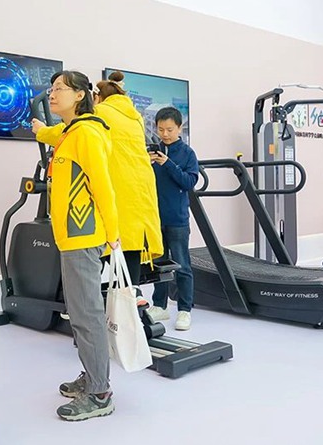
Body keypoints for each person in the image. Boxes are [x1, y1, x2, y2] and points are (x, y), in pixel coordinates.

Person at [31, 71, 119, 422]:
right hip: (70, 237)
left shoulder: (87, 134)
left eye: (60, 89)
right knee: (79, 313)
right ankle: (91, 374)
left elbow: (103, 186)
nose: (53, 94)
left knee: (87, 314)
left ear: (80, 95)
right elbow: (53, 133)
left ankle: (99, 393)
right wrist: (41, 130)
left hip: (84, 236)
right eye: (51, 89)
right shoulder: (70, 132)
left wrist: (113, 234)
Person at [91, 71, 163, 298]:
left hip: (117, 182)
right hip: (142, 185)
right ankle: (134, 292)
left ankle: (90, 299)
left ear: (98, 97)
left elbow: (76, 132)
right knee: (131, 240)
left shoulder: (99, 112)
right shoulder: (136, 116)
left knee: (106, 240)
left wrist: (43, 132)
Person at [147, 107, 199, 331]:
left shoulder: (187, 153)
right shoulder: (151, 151)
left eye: (169, 129)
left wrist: (167, 163)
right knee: (158, 265)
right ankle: (159, 305)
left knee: (182, 266)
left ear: (179, 128)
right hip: (154, 219)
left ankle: (185, 310)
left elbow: (189, 182)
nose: (165, 134)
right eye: (161, 129)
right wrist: (145, 164)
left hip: (177, 219)